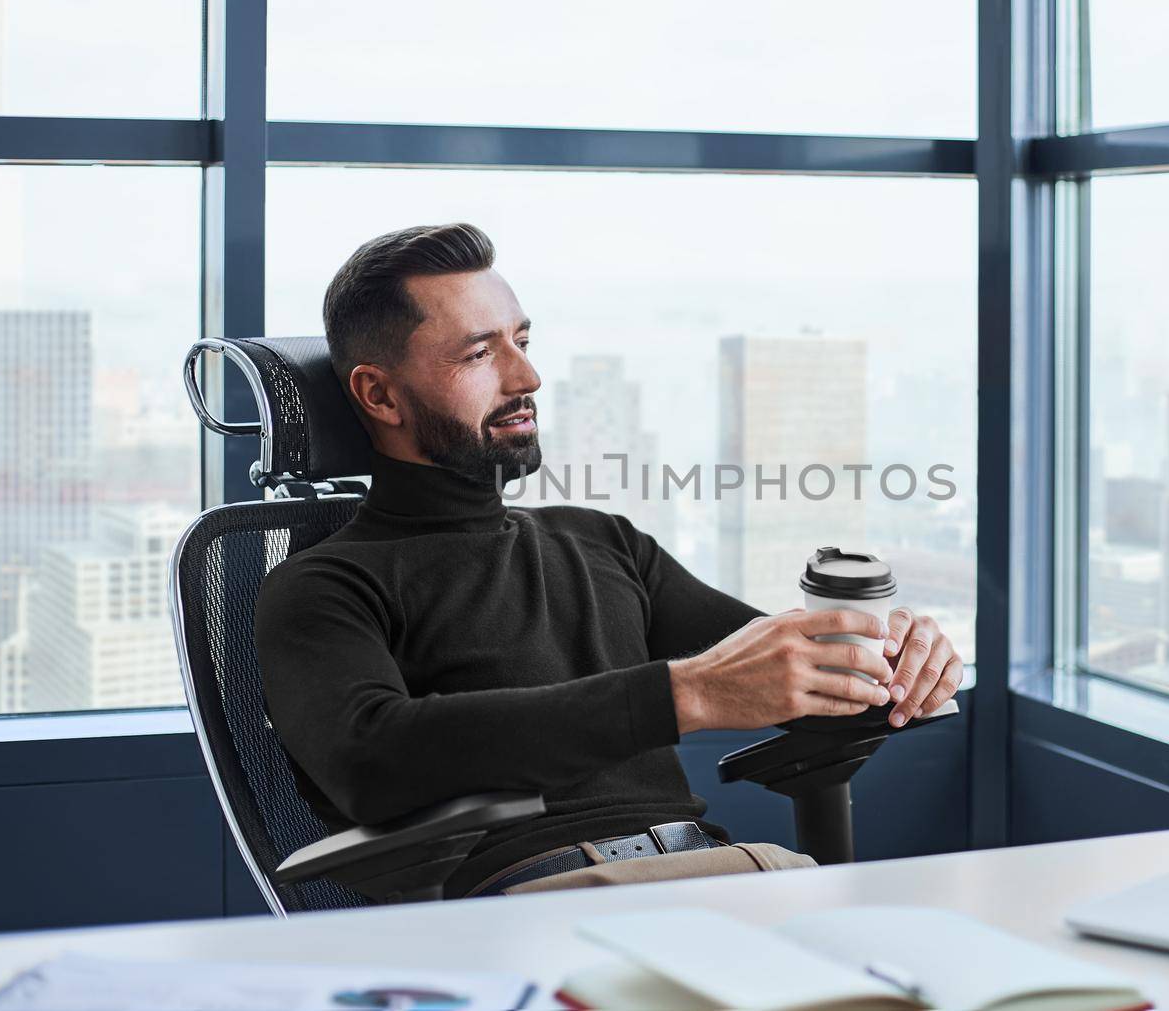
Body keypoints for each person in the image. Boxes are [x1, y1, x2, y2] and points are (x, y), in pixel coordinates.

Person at [253, 222, 965, 897]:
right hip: (554, 901)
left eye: (522, 340)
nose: (526, 376)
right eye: (480, 354)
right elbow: (373, 761)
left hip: (740, 872)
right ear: (380, 394)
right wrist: (682, 694)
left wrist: (892, 663)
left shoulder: (602, 542)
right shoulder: (323, 585)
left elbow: (786, 680)